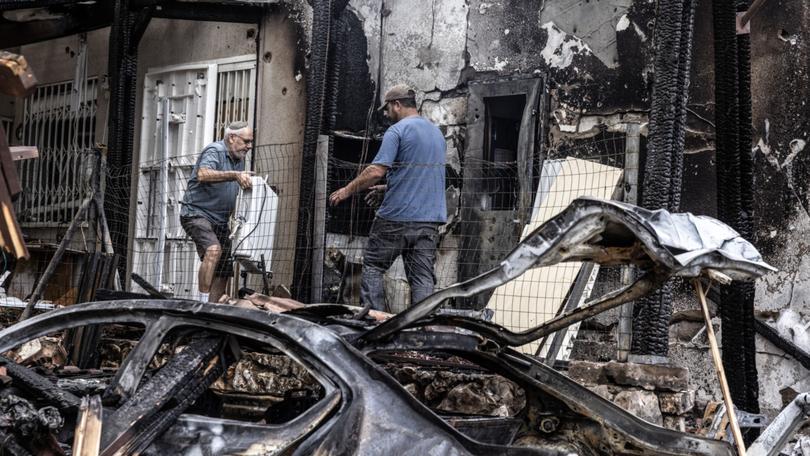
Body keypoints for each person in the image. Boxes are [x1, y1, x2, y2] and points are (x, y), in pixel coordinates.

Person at [329, 84, 446, 313]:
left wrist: (346, 191)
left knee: (373, 265)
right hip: (429, 220)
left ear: (397, 105)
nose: (385, 114)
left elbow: (375, 171)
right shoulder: (437, 134)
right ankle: (422, 329)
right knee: (422, 278)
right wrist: (387, 188)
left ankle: (374, 321)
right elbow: (417, 174)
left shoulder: (397, 131)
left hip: (397, 217)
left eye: (387, 109)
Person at [180, 121, 254, 302]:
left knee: (225, 267)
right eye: (246, 141)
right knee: (213, 250)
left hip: (220, 220)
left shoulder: (239, 159)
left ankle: (214, 309)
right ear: (231, 138)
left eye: (251, 142)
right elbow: (203, 174)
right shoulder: (215, 150)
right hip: (197, 213)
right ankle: (202, 302)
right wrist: (234, 175)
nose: (249, 146)